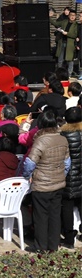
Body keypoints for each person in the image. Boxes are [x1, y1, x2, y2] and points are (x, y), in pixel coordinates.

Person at [22, 110, 70, 252]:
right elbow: (67, 163)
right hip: (58, 183)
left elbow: (30, 163)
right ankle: (53, 246)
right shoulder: (62, 139)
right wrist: (60, 175)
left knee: (41, 216)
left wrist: (27, 175)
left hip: (41, 185)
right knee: (55, 216)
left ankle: (41, 246)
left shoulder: (40, 140)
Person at [59, 106, 82, 247]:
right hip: (80, 174)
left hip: (68, 176)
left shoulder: (63, 135)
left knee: (67, 206)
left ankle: (69, 238)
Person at [51, 9, 78, 74]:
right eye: (71, 15)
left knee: (70, 60)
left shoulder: (76, 25)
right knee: (60, 59)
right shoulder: (64, 22)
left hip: (70, 44)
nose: (72, 17)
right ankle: (59, 73)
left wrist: (67, 33)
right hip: (62, 42)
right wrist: (49, 17)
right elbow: (56, 24)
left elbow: (75, 35)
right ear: (69, 16)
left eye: (74, 15)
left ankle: (69, 74)